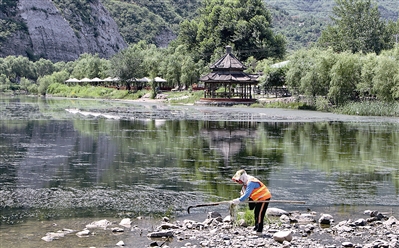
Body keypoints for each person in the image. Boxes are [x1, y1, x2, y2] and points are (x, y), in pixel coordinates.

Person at [231, 169, 272, 234]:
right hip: (258, 199)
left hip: (264, 198)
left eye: (239, 180)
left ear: (243, 177)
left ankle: (259, 231)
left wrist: (239, 200)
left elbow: (247, 194)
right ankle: (256, 227)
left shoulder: (251, 182)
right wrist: (240, 197)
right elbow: (244, 192)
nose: (238, 182)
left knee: (260, 214)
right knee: (256, 212)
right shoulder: (245, 182)